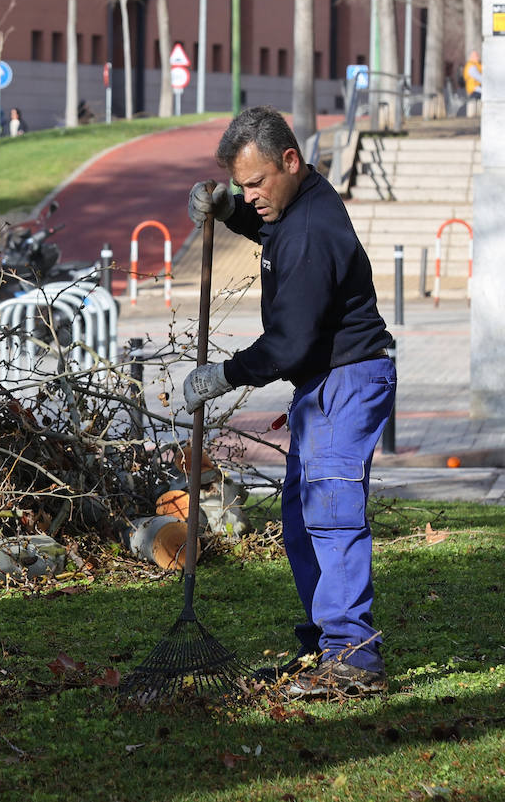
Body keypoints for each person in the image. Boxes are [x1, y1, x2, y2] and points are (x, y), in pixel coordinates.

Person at [183, 106, 396, 700]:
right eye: (240, 186)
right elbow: (272, 227)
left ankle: (353, 658)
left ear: (290, 161)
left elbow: (289, 342)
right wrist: (227, 211)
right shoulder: (298, 203)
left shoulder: (310, 233)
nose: (250, 196)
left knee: (330, 515)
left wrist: (223, 375)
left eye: (254, 185)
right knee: (303, 521)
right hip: (327, 383)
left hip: (346, 381)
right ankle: (325, 647)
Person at [463, 51, 483, 117]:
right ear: (472, 57)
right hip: (474, 89)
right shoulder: (471, 66)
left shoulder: (478, 65)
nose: (478, 57)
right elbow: (479, 77)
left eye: (478, 55)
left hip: (478, 88)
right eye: (476, 56)